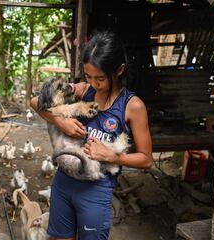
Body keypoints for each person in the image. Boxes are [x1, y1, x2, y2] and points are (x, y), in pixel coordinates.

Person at [30, 31, 153, 240]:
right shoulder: (82, 90)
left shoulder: (132, 106)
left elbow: (147, 160)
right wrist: (61, 121)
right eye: (88, 76)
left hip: (95, 191)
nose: (93, 84)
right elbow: (35, 101)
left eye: (101, 78)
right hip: (63, 183)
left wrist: (114, 157)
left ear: (119, 70)